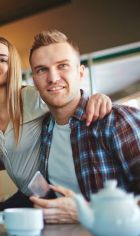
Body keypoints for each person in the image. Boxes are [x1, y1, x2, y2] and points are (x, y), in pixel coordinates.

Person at [0, 37, 113, 218]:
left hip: (50, 194)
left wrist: (97, 97)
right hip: (27, 194)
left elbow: (66, 99)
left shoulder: (33, 98)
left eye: (2, 59)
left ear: (13, 68)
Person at [28, 29, 140, 223]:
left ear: (80, 73)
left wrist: (86, 212)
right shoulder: (43, 130)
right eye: (41, 70)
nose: (53, 78)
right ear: (35, 81)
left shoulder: (118, 120)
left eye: (62, 66)